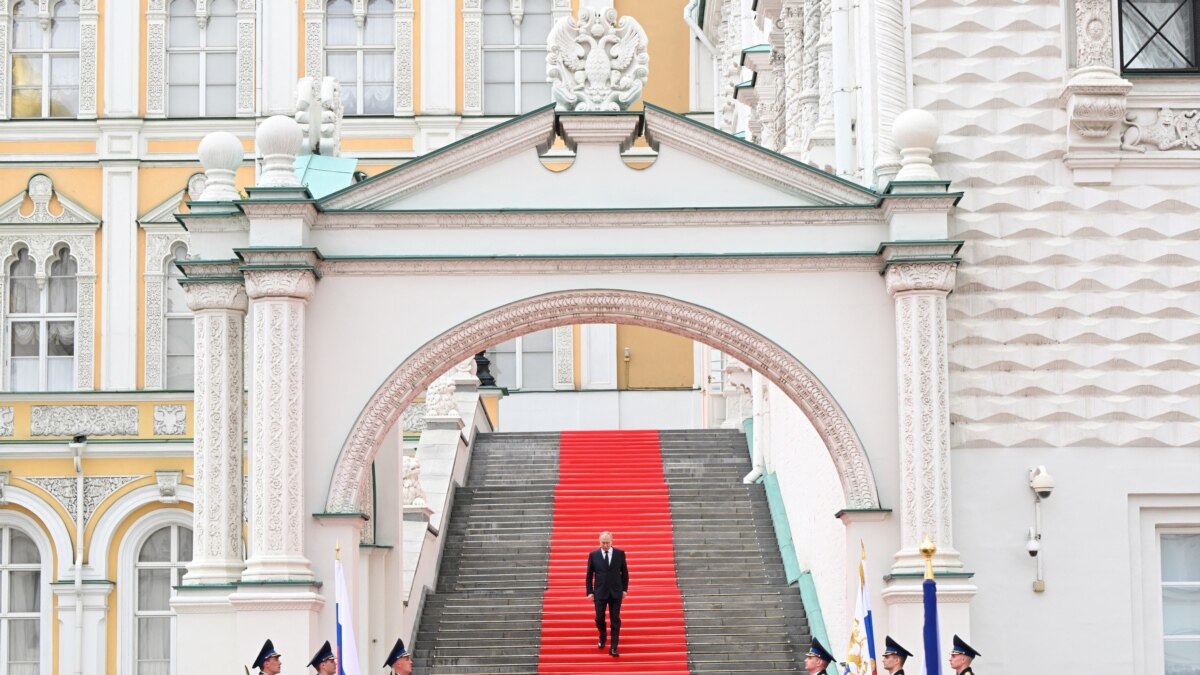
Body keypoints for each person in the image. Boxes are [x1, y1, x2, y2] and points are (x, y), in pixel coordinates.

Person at [586, 531, 629, 657]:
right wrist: (589, 591)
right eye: (603, 542)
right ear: (599, 542)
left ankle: (614, 647)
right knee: (599, 618)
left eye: (607, 542)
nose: (605, 545)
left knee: (615, 620)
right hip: (599, 593)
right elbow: (589, 575)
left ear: (612, 541)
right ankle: (603, 636)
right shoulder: (593, 555)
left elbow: (625, 573)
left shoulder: (619, 554)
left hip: (616, 592)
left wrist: (624, 589)